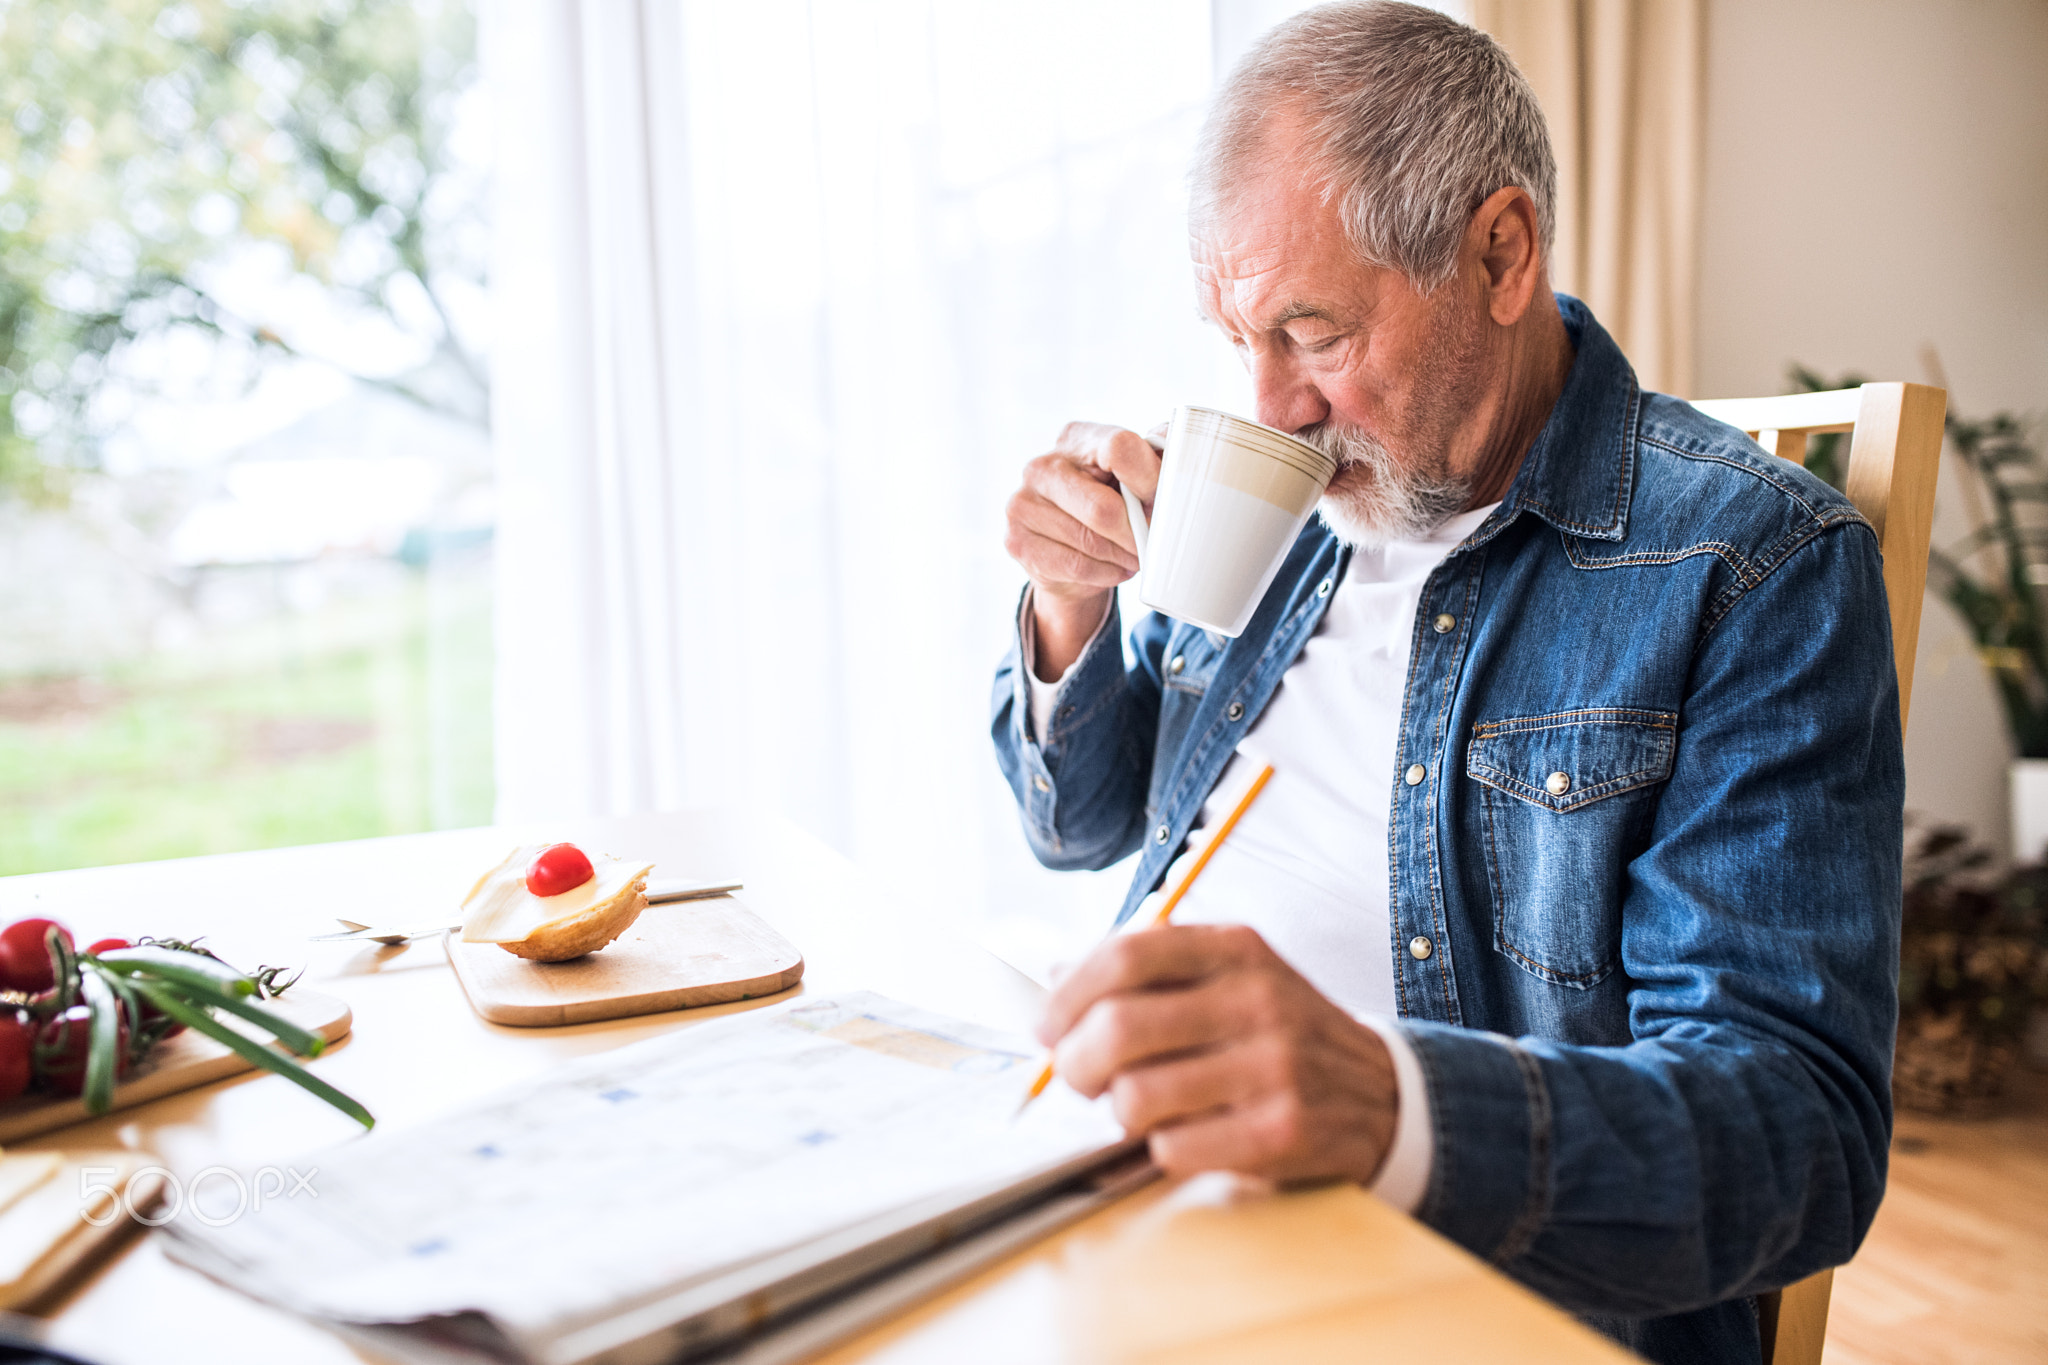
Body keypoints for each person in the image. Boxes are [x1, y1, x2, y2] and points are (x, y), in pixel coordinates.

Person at [990, 5, 1901, 1363]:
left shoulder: (1750, 566)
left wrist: (1390, 1105)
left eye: (1314, 331)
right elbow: (1082, 826)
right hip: (1127, 1191)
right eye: (1239, 335)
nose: (1272, 405)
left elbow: (1799, 1142)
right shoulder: (1284, 515)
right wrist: (1072, 610)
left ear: (1500, 252)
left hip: (1446, 1290)